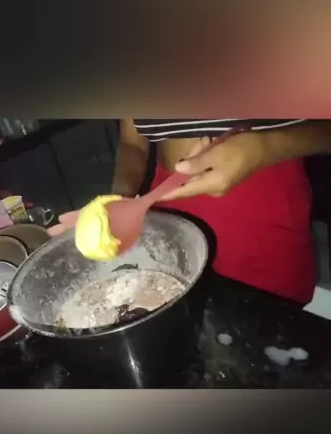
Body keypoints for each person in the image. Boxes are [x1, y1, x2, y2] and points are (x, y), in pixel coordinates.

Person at [49, 119, 331, 304]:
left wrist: (264, 146)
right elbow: (133, 144)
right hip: (169, 212)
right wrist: (119, 202)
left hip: (261, 212)